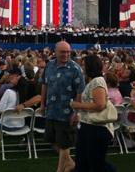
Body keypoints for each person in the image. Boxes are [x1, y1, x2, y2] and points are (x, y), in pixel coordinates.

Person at [40, 41, 85, 172]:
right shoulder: (49, 66)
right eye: (63, 52)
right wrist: (42, 104)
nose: (66, 54)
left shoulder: (75, 69)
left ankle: (60, 169)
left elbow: (79, 92)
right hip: (51, 110)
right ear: (55, 52)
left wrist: (75, 112)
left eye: (68, 52)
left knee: (64, 143)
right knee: (53, 140)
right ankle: (70, 163)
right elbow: (44, 85)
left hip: (66, 113)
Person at [70, 54, 116, 172]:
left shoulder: (97, 81)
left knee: (96, 164)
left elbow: (100, 105)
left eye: (84, 65)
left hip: (97, 128)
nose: (82, 67)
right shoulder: (93, 81)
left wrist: (77, 105)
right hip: (88, 126)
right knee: (83, 161)